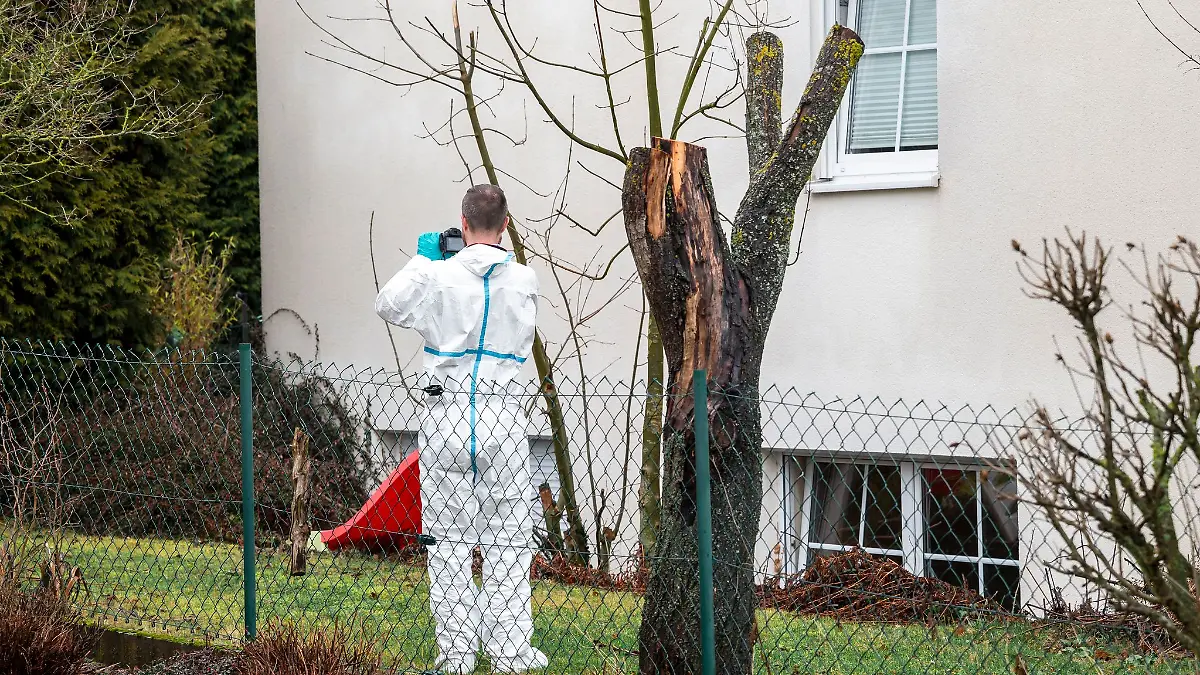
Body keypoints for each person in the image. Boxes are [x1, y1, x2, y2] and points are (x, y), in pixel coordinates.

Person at [375, 184, 547, 674]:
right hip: (503, 416)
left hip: (447, 416)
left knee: (447, 541)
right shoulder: (524, 280)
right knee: (508, 538)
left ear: (462, 224)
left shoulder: (439, 276)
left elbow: (388, 305)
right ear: (507, 225)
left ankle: (456, 655)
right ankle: (511, 651)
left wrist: (423, 260)